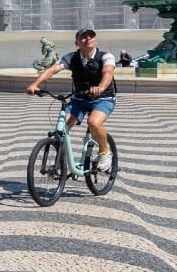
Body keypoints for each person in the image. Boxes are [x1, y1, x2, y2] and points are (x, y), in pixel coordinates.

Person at [26, 28, 116, 172]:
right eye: (83, 37)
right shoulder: (71, 57)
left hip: (102, 98)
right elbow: (51, 70)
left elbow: (108, 72)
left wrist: (100, 87)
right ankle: (59, 164)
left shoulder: (106, 56)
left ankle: (105, 153)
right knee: (62, 127)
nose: (87, 39)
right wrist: (35, 84)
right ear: (77, 42)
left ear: (95, 40)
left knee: (93, 122)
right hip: (79, 98)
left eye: (91, 36)